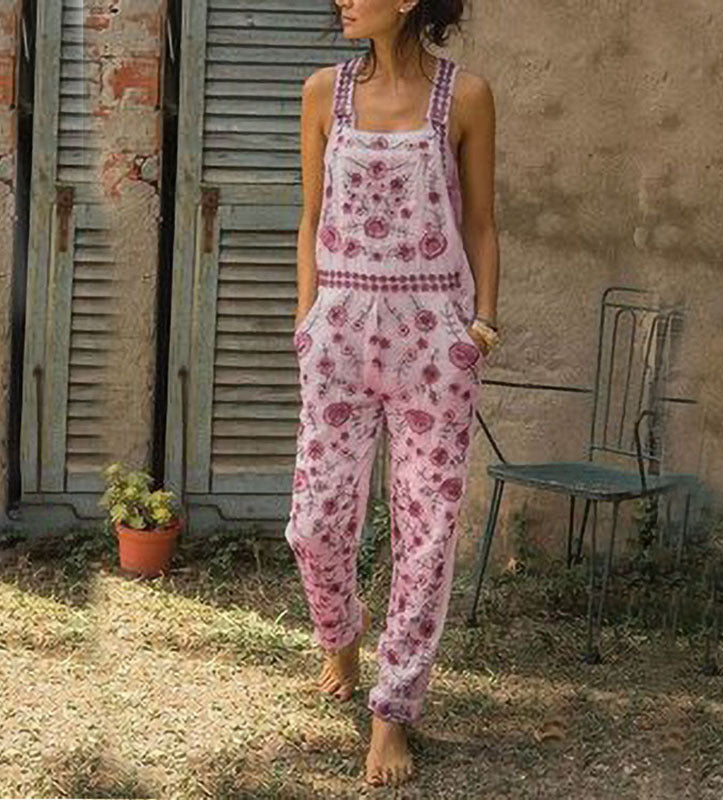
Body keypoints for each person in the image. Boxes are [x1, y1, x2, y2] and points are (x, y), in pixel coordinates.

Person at [284, 0, 500, 787]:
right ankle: (340, 631)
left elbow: (482, 223)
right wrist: (308, 320)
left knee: (427, 531)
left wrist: (481, 323)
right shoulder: (323, 93)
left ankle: (393, 712)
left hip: (433, 342)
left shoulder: (464, 96)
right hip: (341, 334)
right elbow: (310, 218)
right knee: (314, 523)